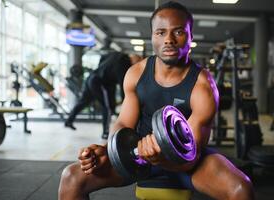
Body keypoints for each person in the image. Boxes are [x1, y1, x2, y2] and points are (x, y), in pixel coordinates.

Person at [59, 2, 254, 200]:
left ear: (190, 36)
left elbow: (191, 158)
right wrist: (110, 150)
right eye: (160, 32)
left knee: (240, 188)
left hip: (187, 163)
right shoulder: (136, 73)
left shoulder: (203, 85)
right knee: (71, 177)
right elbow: (124, 123)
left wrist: (159, 157)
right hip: (138, 155)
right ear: (152, 36)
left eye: (178, 32)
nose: (168, 40)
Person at [65, 51, 141, 139]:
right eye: (137, 63)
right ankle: (105, 132)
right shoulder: (125, 65)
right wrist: (127, 102)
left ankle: (69, 121)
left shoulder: (116, 54)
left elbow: (102, 57)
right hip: (100, 83)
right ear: (134, 60)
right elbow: (124, 86)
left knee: (83, 102)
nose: (136, 67)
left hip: (92, 77)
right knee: (107, 107)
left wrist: (102, 70)